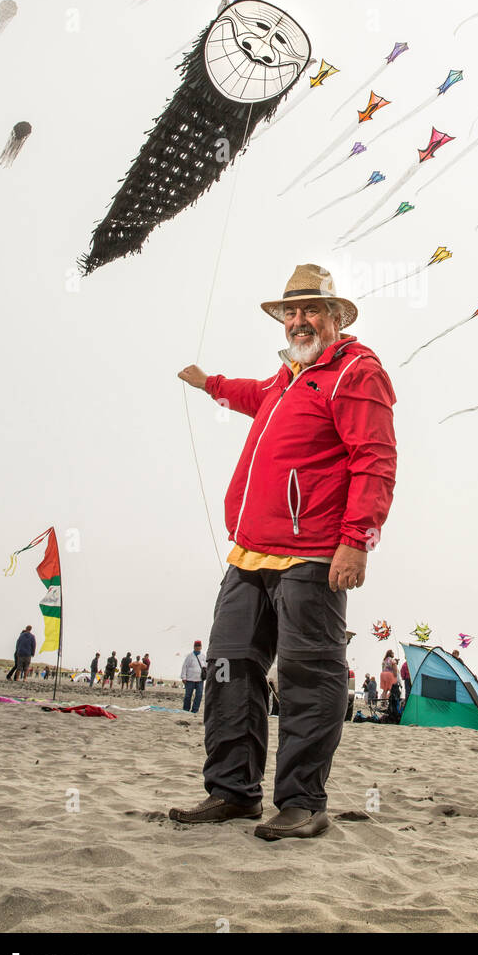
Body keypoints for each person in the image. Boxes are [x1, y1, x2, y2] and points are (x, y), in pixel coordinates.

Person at [170, 264, 397, 841]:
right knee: (228, 666)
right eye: (290, 312)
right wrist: (209, 383)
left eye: (311, 310)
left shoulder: (356, 371)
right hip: (250, 553)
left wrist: (357, 540)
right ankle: (232, 792)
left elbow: (375, 458)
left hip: (314, 552)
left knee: (307, 674)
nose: (299, 320)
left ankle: (301, 803)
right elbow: (252, 396)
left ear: (336, 316)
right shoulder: (287, 377)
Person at [181, 641, 206, 714]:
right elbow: (184, 667)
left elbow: (206, 666)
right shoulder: (189, 656)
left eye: (199, 646)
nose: (197, 647)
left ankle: (195, 710)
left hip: (200, 679)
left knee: (199, 695)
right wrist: (183, 677)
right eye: (196, 646)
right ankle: (186, 709)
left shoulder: (203, 656)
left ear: (201, 647)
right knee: (188, 695)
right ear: (194, 647)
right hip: (190, 679)